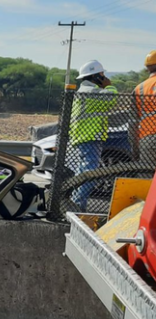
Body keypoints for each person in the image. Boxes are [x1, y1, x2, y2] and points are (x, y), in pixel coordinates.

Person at [69, 60, 119, 210]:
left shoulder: (84, 90)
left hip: (85, 137)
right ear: (95, 77)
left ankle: (75, 204)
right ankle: (78, 204)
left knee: (83, 173)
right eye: (102, 75)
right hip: (90, 137)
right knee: (91, 174)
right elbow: (112, 98)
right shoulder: (91, 92)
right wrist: (109, 85)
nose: (104, 77)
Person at [134, 50, 156, 161]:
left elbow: (133, 121)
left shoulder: (139, 88)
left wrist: (135, 147)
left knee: (146, 175)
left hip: (147, 138)